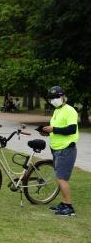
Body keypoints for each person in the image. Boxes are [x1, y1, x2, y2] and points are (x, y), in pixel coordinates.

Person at [42, 86, 79, 216]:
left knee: (62, 178)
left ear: (63, 96)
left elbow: (72, 129)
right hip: (57, 149)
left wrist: (54, 130)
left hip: (66, 149)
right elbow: (57, 128)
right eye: (51, 98)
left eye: (56, 97)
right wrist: (47, 132)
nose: (53, 100)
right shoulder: (57, 110)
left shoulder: (69, 110)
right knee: (59, 178)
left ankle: (69, 207)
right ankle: (64, 203)